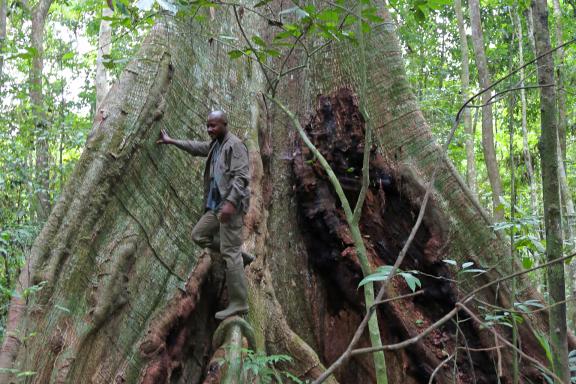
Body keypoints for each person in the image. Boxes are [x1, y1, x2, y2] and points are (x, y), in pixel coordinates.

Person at [156, 110, 253, 320]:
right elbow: (196, 147)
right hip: (216, 207)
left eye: (214, 126)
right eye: (208, 125)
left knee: (230, 253)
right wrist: (171, 141)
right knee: (198, 235)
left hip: (230, 207)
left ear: (225, 124)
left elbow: (242, 177)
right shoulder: (216, 144)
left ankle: (239, 303)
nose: (210, 130)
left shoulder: (234, 145)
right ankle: (239, 255)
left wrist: (230, 203)